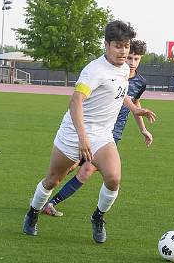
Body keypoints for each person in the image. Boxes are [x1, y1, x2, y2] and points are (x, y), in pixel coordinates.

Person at [21, 21, 156, 243]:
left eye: (126, 46)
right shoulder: (94, 71)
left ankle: (98, 217)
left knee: (113, 178)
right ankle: (32, 213)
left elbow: (120, 93)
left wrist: (135, 109)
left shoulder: (124, 69)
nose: (123, 52)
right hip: (74, 132)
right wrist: (82, 137)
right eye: (118, 46)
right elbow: (75, 102)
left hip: (102, 134)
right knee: (53, 180)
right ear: (106, 45)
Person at [43, 39, 153, 217]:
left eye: (136, 59)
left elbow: (134, 102)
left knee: (87, 170)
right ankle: (43, 197)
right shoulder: (106, 72)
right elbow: (78, 100)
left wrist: (143, 128)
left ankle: (52, 203)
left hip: (111, 134)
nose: (132, 63)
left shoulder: (140, 82)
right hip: (90, 128)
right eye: (130, 57)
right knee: (67, 170)